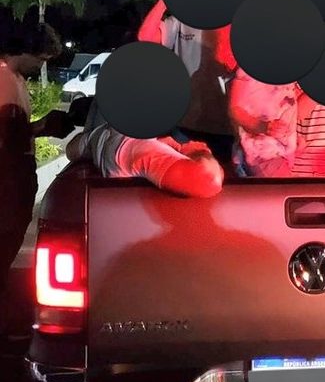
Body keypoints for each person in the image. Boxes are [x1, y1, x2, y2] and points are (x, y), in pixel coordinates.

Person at [0, 21, 74, 336]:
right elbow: (8, 135)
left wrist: (40, 127)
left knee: (8, 245)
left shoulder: (14, 78)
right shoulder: (3, 79)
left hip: (18, 172)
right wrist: (40, 127)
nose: (41, 66)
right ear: (27, 50)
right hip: (7, 175)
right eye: (41, 59)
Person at [137, 0, 237, 169]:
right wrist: (164, 0)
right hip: (186, 124)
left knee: (223, 180)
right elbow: (145, 37)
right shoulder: (183, 19)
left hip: (226, 126)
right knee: (185, 178)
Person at [66, 122, 224, 199]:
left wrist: (95, 136)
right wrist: (193, 148)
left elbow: (72, 150)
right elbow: (209, 180)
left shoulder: (106, 133)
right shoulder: (140, 148)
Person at [227, 68, 297, 177]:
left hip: (282, 152)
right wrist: (262, 126)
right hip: (264, 153)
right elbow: (235, 109)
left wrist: (292, 135)